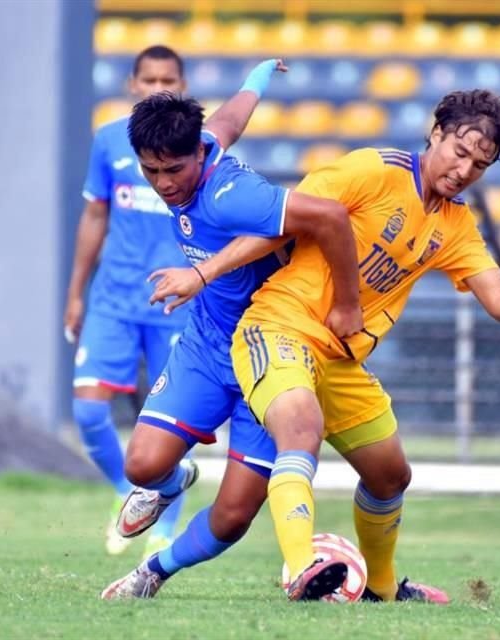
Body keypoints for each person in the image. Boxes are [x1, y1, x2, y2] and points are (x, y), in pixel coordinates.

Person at [227, 89, 500, 603]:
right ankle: (302, 567)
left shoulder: (455, 225)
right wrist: (205, 273)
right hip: (279, 326)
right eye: (460, 152)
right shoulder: (373, 171)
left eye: (479, 163)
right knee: (301, 431)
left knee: (391, 475)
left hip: (340, 357)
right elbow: (281, 219)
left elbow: (498, 296)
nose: (465, 169)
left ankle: (383, 591)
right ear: (436, 133)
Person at [99, 64, 363, 603]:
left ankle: (153, 572)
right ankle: (173, 485)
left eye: (172, 170)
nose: (163, 183)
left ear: (199, 155)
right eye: (151, 171)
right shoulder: (200, 142)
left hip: (270, 351)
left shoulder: (233, 195)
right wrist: (259, 76)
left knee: (235, 514)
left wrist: (347, 305)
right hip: (207, 344)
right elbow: (231, 116)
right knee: (143, 466)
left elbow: (332, 217)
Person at [64, 45, 192, 556]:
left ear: (182, 86)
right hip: (113, 298)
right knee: (89, 413)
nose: (158, 87)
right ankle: (129, 496)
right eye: (149, 79)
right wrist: (75, 292)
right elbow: (94, 217)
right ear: (132, 85)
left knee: (172, 427)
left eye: (169, 79)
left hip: (175, 306)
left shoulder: (202, 146)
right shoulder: (108, 141)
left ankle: (164, 525)